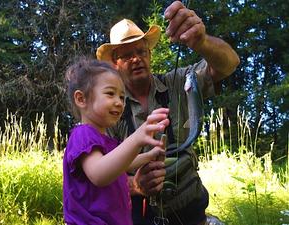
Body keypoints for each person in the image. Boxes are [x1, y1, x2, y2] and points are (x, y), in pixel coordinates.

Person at [96, 1, 240, 225]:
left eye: (141, 51)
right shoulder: (107, 110)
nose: (137, 59)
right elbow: (96, 176)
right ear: (115, 63)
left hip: (192, 211)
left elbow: (229, 64)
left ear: (150, 55)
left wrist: (201, 42)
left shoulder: (181, 81)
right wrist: (135, 186)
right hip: (138, 217)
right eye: (127, 55)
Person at [62, 57, 170, 225]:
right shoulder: (82, 135)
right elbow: (99, 174)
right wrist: (137, 138)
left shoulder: (103, 139)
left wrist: (149, 155)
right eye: (110, 94)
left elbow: (121, 165)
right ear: (81, 99)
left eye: (122, 97)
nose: (119, 103)